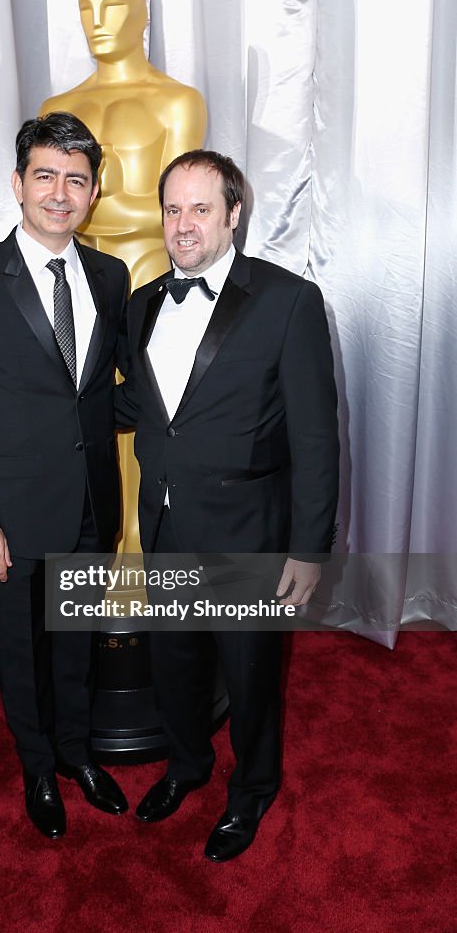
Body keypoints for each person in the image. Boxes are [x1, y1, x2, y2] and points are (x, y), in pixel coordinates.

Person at [115, 150, 339, 861]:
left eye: (200, 208)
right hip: (167, 522)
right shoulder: (142, 301)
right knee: (175, 663)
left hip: (250, 532)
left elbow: (316, 436)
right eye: (173, 208)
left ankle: (253, 790)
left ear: (234, 214)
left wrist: (308, 548)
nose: (183, 224)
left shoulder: (288, 301)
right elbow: (143, 407)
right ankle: (187, 766)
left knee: (250, 676)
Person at [0, 112, 130, 839]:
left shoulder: (111, 277)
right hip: (9, 519)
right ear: (18, 184)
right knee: (22, 650)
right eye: (45, 175)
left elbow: (105, 390)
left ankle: (77, 754)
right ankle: (38, 768)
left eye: (75, 179)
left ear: (94, 192)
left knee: (76, 642)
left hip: (88, 506)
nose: (59, 192)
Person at [41, 0, 207, 555]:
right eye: (86, 7)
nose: (98, 21)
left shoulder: (176, 100)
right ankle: (99, 537)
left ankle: (140, 540)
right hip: (75, 277)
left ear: (141, 11)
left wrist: (84, 210)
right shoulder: (57, 106)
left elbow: (184, 207)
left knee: (151, 406)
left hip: (148, 273)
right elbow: (51, 206)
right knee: (85, 410)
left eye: (112, 6)